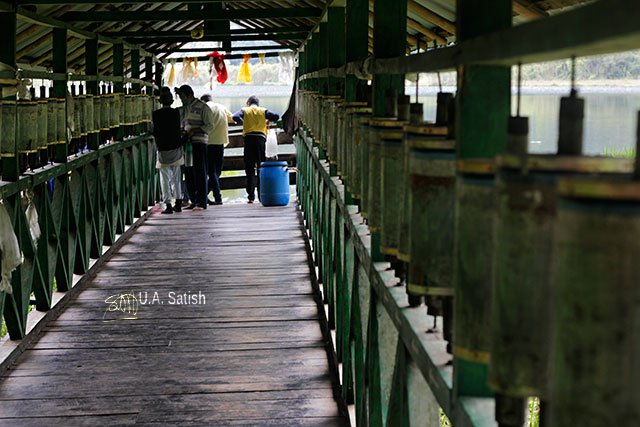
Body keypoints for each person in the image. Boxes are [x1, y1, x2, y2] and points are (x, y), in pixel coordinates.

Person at [232, 96, 280, 203]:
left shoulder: (245, 110)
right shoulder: (263, 111)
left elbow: (235, 117)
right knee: (260, 168)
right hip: (260, 140)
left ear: (248, 103)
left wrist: (243, 122)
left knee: (249, 169)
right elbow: (276, 116)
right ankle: (261, 195)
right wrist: (267, 119)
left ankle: (250, 197)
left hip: (248, 140)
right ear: (257, 104)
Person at [175, 84, 214, 211]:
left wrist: (195, 130)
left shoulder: (203, 107)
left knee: (200, 172)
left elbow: (209, 126)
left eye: (183, 97)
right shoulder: (184, 109)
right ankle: (193, 200)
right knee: (189, 173)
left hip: (199, 143)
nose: (181, 99)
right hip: (187, 145)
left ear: (190, 96)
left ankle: (202, 202)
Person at [152, 87, 183, 214]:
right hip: (176, 148)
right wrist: (180, 93)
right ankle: (179, 202)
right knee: (176, 177)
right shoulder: (176, 113)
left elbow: (155, 131)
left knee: (164, 178)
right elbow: (186, 107)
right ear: (171, 101)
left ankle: (168, 205)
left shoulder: (155, 114)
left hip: (163, 148)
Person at [200, 94, 234, 205]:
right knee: (217, 171)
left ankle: (211, 196)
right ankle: (212, 196)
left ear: (203, 101)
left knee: (211, 171)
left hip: (208, 142)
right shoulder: (221, 107)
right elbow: (232, 118)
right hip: (220, 141)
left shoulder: (203, 108)